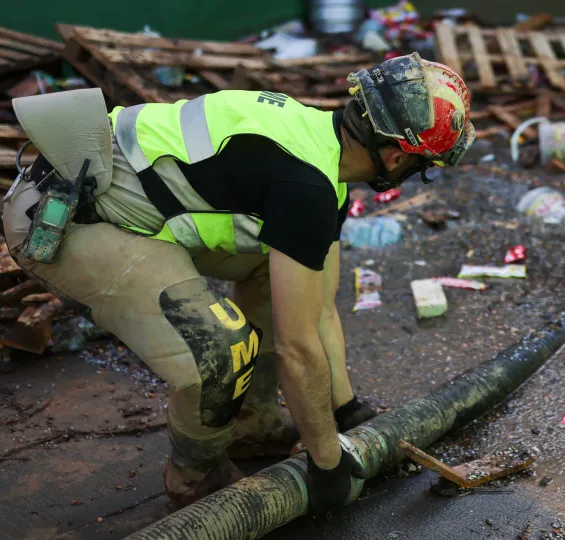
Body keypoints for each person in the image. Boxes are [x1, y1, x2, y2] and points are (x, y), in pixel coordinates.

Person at [2, 52, 474, 507]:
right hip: (65, 218)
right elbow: (297, 346)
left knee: (278, 276)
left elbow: (318, 306)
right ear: (396, 159)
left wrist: (346, 411)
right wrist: (327, 464)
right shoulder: (306, 185)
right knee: (221, 349)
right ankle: (196, 479)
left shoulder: (317, 155)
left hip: (118, 204)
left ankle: (253, 425)